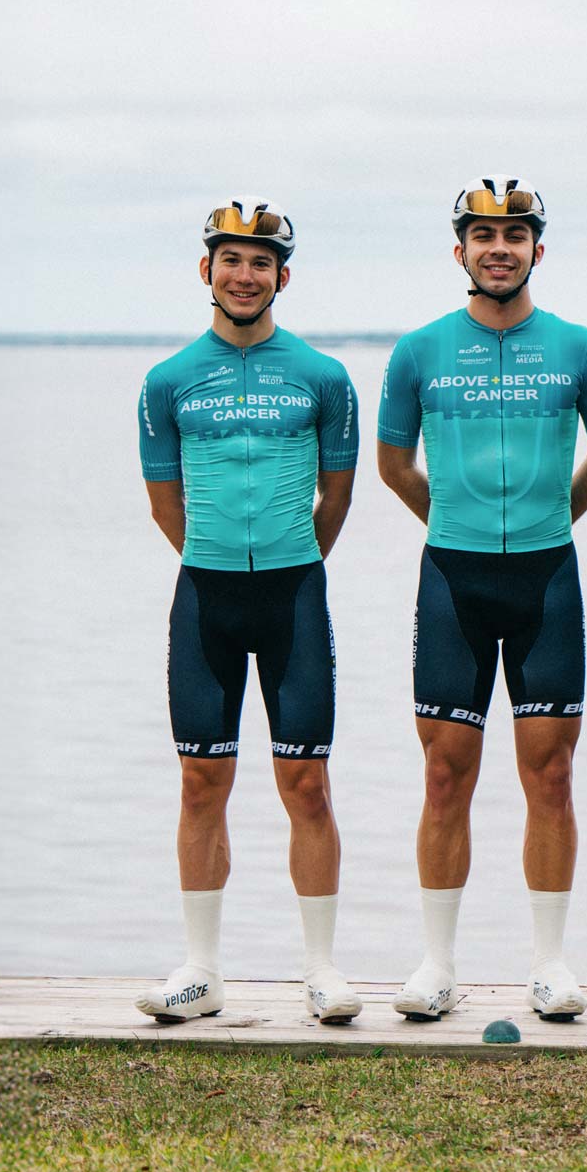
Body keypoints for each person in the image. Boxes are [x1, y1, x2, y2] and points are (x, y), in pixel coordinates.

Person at [377, 177, 587, 1022]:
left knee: (550, 773)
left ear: (536, 251)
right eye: (483, 236)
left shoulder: (580, 347)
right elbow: (393, 465)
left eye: (515, 235)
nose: (499, 248)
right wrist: (452, 520)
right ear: (461, 251)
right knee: (446, 774)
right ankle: (437, 963)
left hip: (547, 577)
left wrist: (554, 514)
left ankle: (550, 962)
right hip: (453, 578)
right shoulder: (418, 351)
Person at [135, 198, 361, 1024]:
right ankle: (202, 970)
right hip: (205, 595)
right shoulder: (167, 382)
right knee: (202, 782)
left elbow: (336, 495)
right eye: (231, 259)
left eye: (261, 262)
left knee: (307, 782)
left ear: (282, 276)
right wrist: (222, 559)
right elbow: (167, 506)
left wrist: (292, 561)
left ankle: (322, 969)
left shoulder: (323, 377)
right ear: (207, 271)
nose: (245, 274)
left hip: (296, 593)